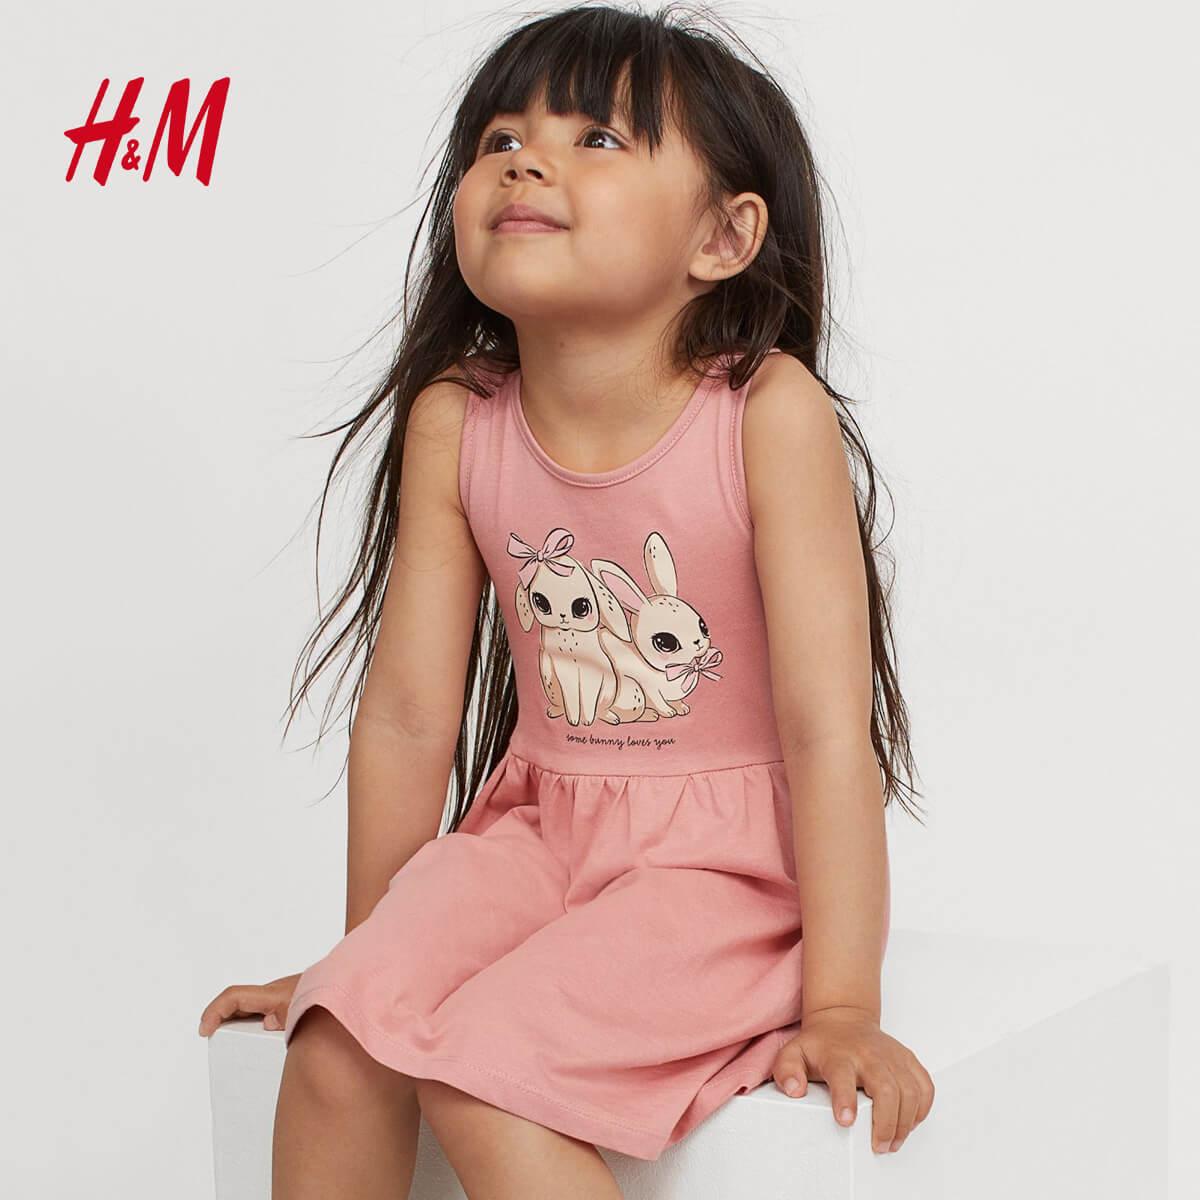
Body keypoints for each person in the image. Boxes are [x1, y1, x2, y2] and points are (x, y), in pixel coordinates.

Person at [198, 5, 935, 1195]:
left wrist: (844, 1003)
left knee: (486, 1076)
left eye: (596, 139)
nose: (524, 162)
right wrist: (370, 962)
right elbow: (408, 720)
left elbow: (823, 728)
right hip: (535, 835)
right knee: (337, 1045)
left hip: (721, 877)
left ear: (724, 235)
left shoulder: (765, 412)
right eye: (499, 139)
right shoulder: (457, 419)